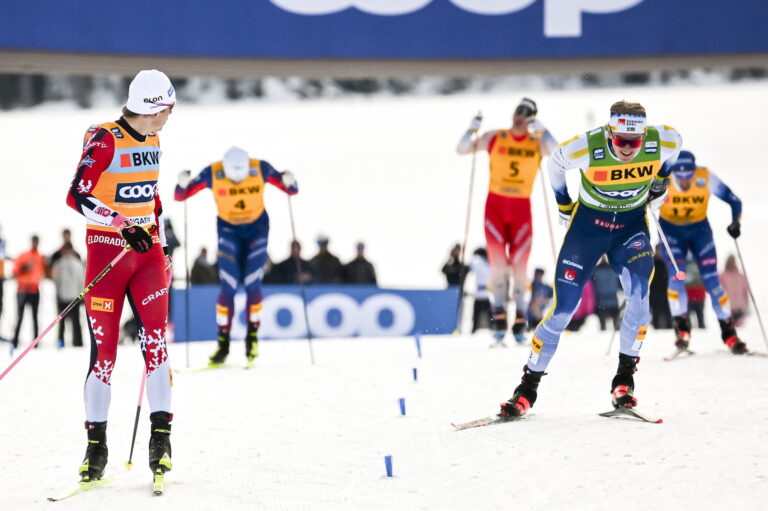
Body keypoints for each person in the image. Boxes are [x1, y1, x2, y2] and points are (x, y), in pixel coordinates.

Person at [497, 100, 682, 419]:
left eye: (634, 142)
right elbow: (555, 163)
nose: (627, 148)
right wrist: (563, 205)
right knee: (563, 310)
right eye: (621, 140)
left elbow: (677, 143)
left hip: (630, 229)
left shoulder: (659, 139)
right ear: (610, 132)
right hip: (587, 231)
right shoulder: (588, 145)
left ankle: (624, 382)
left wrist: (661, 180)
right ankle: (527, 388)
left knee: (639, 300)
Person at [66, 69, 176, 483]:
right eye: (168, 108)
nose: (169, 116)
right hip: (107, 256)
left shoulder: (155, 139)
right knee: (104, 355)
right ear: (153, 108)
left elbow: (153, 196)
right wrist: (120, 223)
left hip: (146, 257)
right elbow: (77, 192)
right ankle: (95, 449)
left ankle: (161, 441)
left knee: (156, 346)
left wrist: (163, 247)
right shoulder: (105, 137)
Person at [175, 146, 298, 365]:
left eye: (241, 176)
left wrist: (290, 179)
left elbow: (292, 190)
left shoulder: (259, 168)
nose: (238, 182)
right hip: (228, 232)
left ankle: (252, 340)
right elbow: (180, 196)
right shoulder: (214, 172)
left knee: (252, 283)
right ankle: (223, 345)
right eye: (234, 176)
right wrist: (181, 183)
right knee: (228, 286)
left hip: (257, 231)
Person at [456, 98, 558, 343]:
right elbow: (462, 149)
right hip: (496, 207)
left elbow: (556, 152)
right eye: (517, 113)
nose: (519, 118)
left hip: (521, 207)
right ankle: (499, 316)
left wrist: (541, 128)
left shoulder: (536, 142)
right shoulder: (496, 137)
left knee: (520, 267)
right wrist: (472, 128)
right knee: (498, 266)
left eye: (526, 114)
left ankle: (520, 317)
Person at [658, 150, 746, 352]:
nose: (685, 180)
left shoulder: (705, 177)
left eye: (688, 175)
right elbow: (641, 200)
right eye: (679, 176)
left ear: (694, 170)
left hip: (700, 232)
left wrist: (735, 223)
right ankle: (682, 330)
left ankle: (729, 333)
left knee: (712, 281)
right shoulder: (663, 176)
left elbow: (734, 200)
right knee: (676, 277)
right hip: (672, 233)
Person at [11, 235, 46, 348]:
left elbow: (43, 272)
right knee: (20, 316)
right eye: (34, 241)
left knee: (35, 317)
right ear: (31, 242)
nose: (36, 243)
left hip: (35, 290)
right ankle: (15, 341)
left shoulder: (40, 257)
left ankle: (35, 343)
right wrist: (24, 268)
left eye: (37, 241)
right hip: (23, 290)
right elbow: (15, 271)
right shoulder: (23, 255)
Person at [51, 242, 85, 347]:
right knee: (62, 322)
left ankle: (77, 342)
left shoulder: (77, 263)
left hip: (73, 297)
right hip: (64, 296)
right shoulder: (59, 264)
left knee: (75, 321)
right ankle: (62, 341)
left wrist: (82, 295)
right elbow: (55, 280)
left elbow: (81, 280)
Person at [592, 255, 621, 331]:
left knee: (615, 325)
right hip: (603, 301)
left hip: (609, 301)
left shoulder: (614, 270)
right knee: (604, 326)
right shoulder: (595, 271)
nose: (603, 258)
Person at [720, 254, 749, 327]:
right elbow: (720, 292)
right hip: (728, 308)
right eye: (730, 261)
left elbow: (745, 291)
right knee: (730, 329)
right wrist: (722, 305)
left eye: (733, 261)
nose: (732, 263)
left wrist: (746, 305)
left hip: (739, 307)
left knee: (740, 329)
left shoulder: (741, 276)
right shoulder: (722, 276)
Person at [468, 248, 491, 333]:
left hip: (479, 294)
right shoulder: (490, 263)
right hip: (487, 294)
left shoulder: (477, 262)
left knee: (476, 316)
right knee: (490, 316)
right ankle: (492, 328)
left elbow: (469, 267)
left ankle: (473, 330)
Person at [649, 247, 672, 329]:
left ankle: (670, 328)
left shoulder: (668, 262)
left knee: (668, 314)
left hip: (667, 293)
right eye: (659, 250)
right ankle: (656, 328)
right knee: (656, 315)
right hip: (654, 293)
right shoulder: (651, 262)